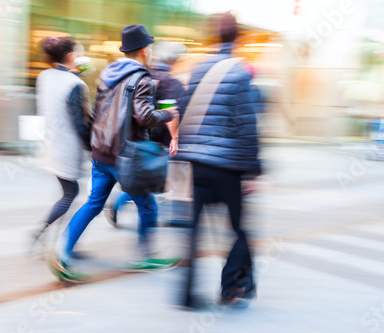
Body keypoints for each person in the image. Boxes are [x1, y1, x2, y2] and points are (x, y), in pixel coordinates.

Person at [50, 25, 179, 280]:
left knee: (93, 204)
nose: (151, 51)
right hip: (124, 157)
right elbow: (144, 116)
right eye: (150, 47)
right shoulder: (141, 77)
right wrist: (167, 114)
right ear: (144, 50)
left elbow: (97, 112)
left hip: (101, 153)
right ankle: (144, 256)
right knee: (148, 205)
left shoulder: (108, 73)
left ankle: (60, 252)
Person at [176, 13, 261, 308]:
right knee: (238, 228)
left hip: (197, 164)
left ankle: (186, 295)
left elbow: (185, 110)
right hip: (227, 166)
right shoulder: (239, 73)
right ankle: (232, 286)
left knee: (194, 230)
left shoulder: (198, 69)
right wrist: (253, 170)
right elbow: (246, 125)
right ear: (238, 39)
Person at [106, 41, 186, 238]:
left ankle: (118, 204)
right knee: (148, 185)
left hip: (138, 139)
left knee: (142, 182)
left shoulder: (143, 73)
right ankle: (144, 243)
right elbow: (170, 112)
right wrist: (175, 137)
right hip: (157, 141)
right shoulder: (169, 82)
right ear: (173, 60)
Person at [34, 37, 92, 242]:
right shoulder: (74, 84)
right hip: (67, 149)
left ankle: (52, 235)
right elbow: (80, 123)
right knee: (71, 193)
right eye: (78, 52)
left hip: (50, 145)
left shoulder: (44, 76)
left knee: (69, 191)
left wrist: (73, 76)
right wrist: (91, 147)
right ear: (70, 56)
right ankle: (46, 233)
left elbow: (57, 93)